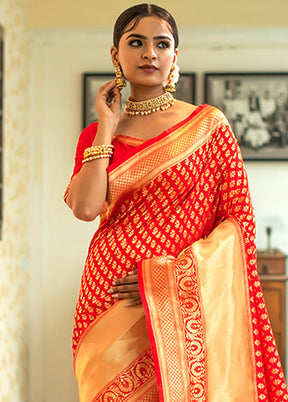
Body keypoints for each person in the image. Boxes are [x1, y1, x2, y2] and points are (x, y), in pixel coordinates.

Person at [64, 4, 288, 401]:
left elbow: (238, 224)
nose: (150, 53)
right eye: (136, 42)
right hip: (107, 297)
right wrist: (106, 127)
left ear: (174, 57)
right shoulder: (97, 135)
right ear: (116, 55)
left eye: (161, 44)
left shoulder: (208, 126)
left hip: (181, 302)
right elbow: (85, 208)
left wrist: (165, 277)